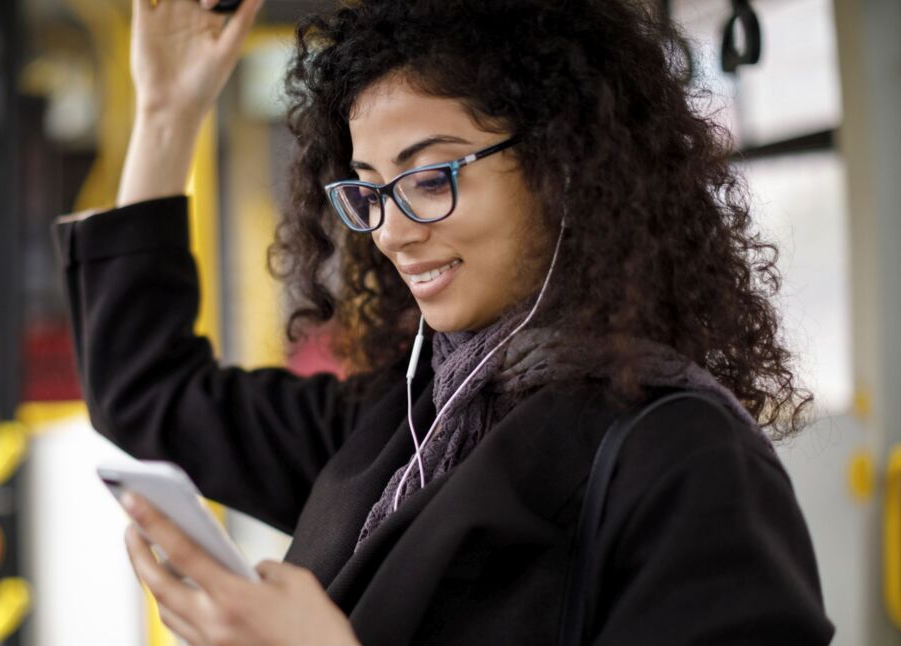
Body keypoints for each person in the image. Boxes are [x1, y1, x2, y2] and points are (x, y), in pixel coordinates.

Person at [53, 0, 836, 643]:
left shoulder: (684, 459)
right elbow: (148, 391)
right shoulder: (409, 430)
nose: (391, 231)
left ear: (562, 165)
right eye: (369, 190)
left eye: (430, 177)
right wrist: (164, 113)